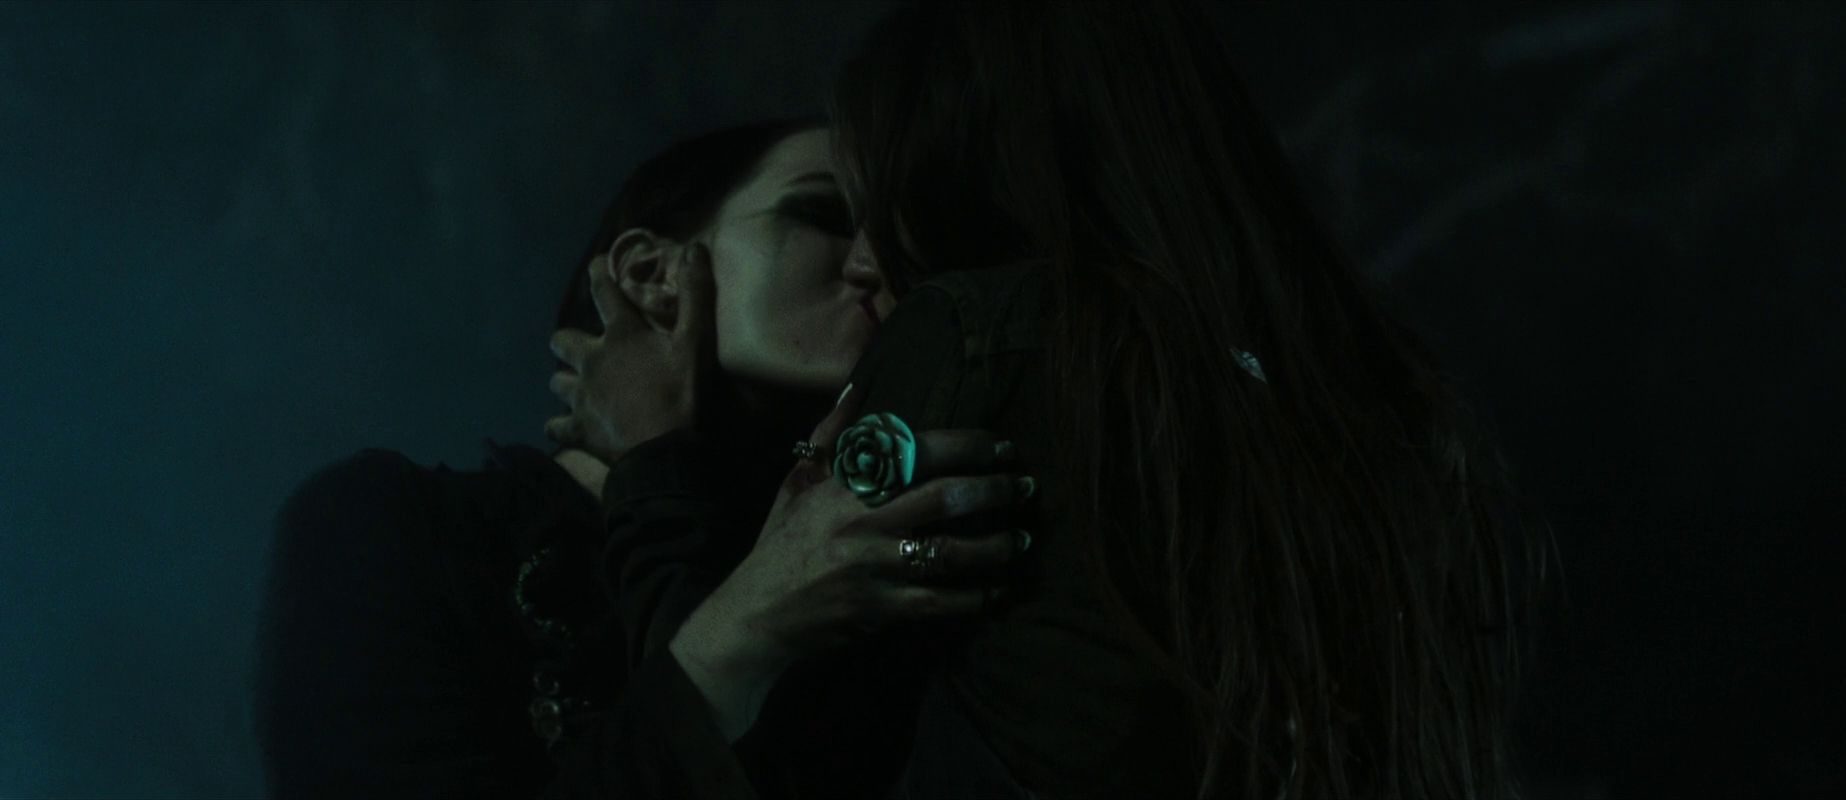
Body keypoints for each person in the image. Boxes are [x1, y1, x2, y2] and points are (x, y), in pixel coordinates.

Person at [562, 3, 1556, 799]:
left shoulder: (974, 339)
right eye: (828, 217)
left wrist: (653, 466)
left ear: (956, 160)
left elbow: (755, 758)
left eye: (868, 204)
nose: (864, 262)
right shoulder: (1364, 404)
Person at [252, 120, 1028, 798]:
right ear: (652, 274)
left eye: (897, 242)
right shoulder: (393, 529)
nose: (873, 266)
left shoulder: (850, 581)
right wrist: (740, 603)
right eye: (822, 215)